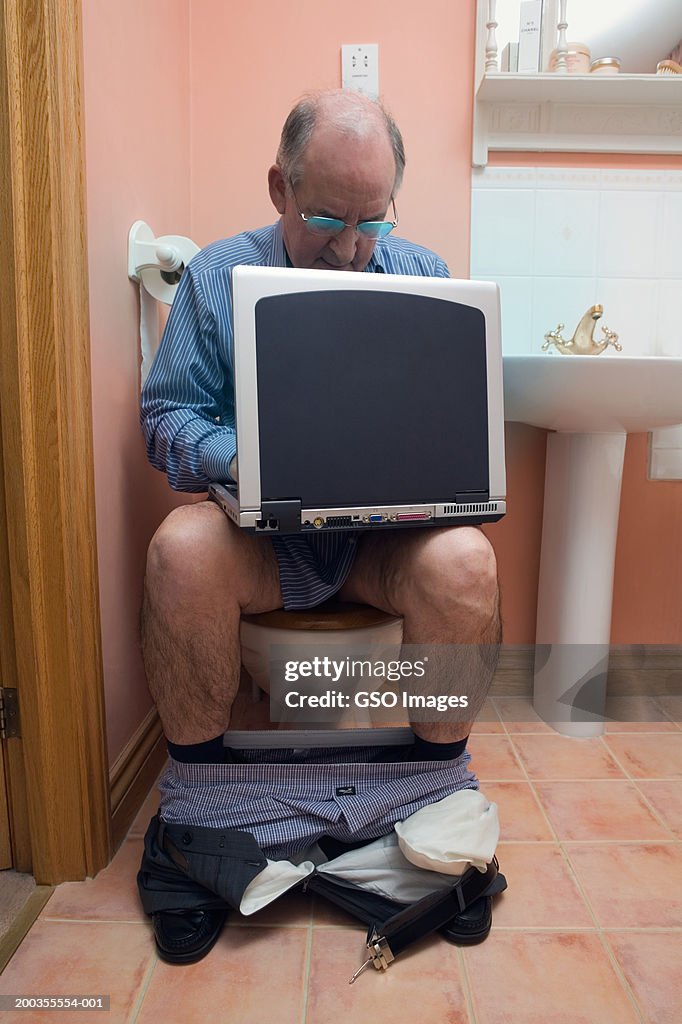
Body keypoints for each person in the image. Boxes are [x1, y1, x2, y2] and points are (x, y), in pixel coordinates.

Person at [137, 89, 501, 965]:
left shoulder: (422, 276)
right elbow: (164, 419)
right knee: (179, 551)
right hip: (260, 544)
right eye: (327, 216)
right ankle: (201, 816)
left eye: (371, 220)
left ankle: (430, 788)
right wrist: (249, 457)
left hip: (383, 546)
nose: (348, 245)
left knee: (466, 561)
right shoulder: (219, 277)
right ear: (278, 188)